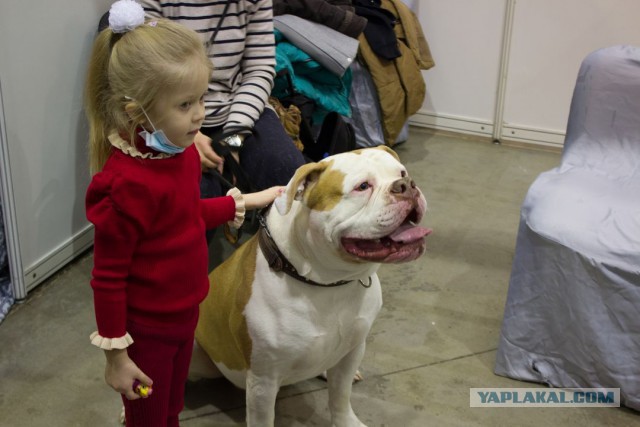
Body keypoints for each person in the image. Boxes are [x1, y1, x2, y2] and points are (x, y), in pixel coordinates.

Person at [84, 1, 283, 425]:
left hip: (185, 314)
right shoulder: (124, 187)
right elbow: (108, 278)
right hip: (148, 332)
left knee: (171, 407)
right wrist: (117, 358)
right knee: (150, 418)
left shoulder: (179, 155)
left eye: (202, 98)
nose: (201, 114)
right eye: (185, 105)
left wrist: (243, 201)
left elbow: (184, 216)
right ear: (137, 112)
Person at [138, 0, 306, 241]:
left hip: (240, 109)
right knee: (191, 199)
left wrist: (233, 140)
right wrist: (187, 135)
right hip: (172, 114)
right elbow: (148, 75)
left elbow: (259, 69)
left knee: (289, 173)